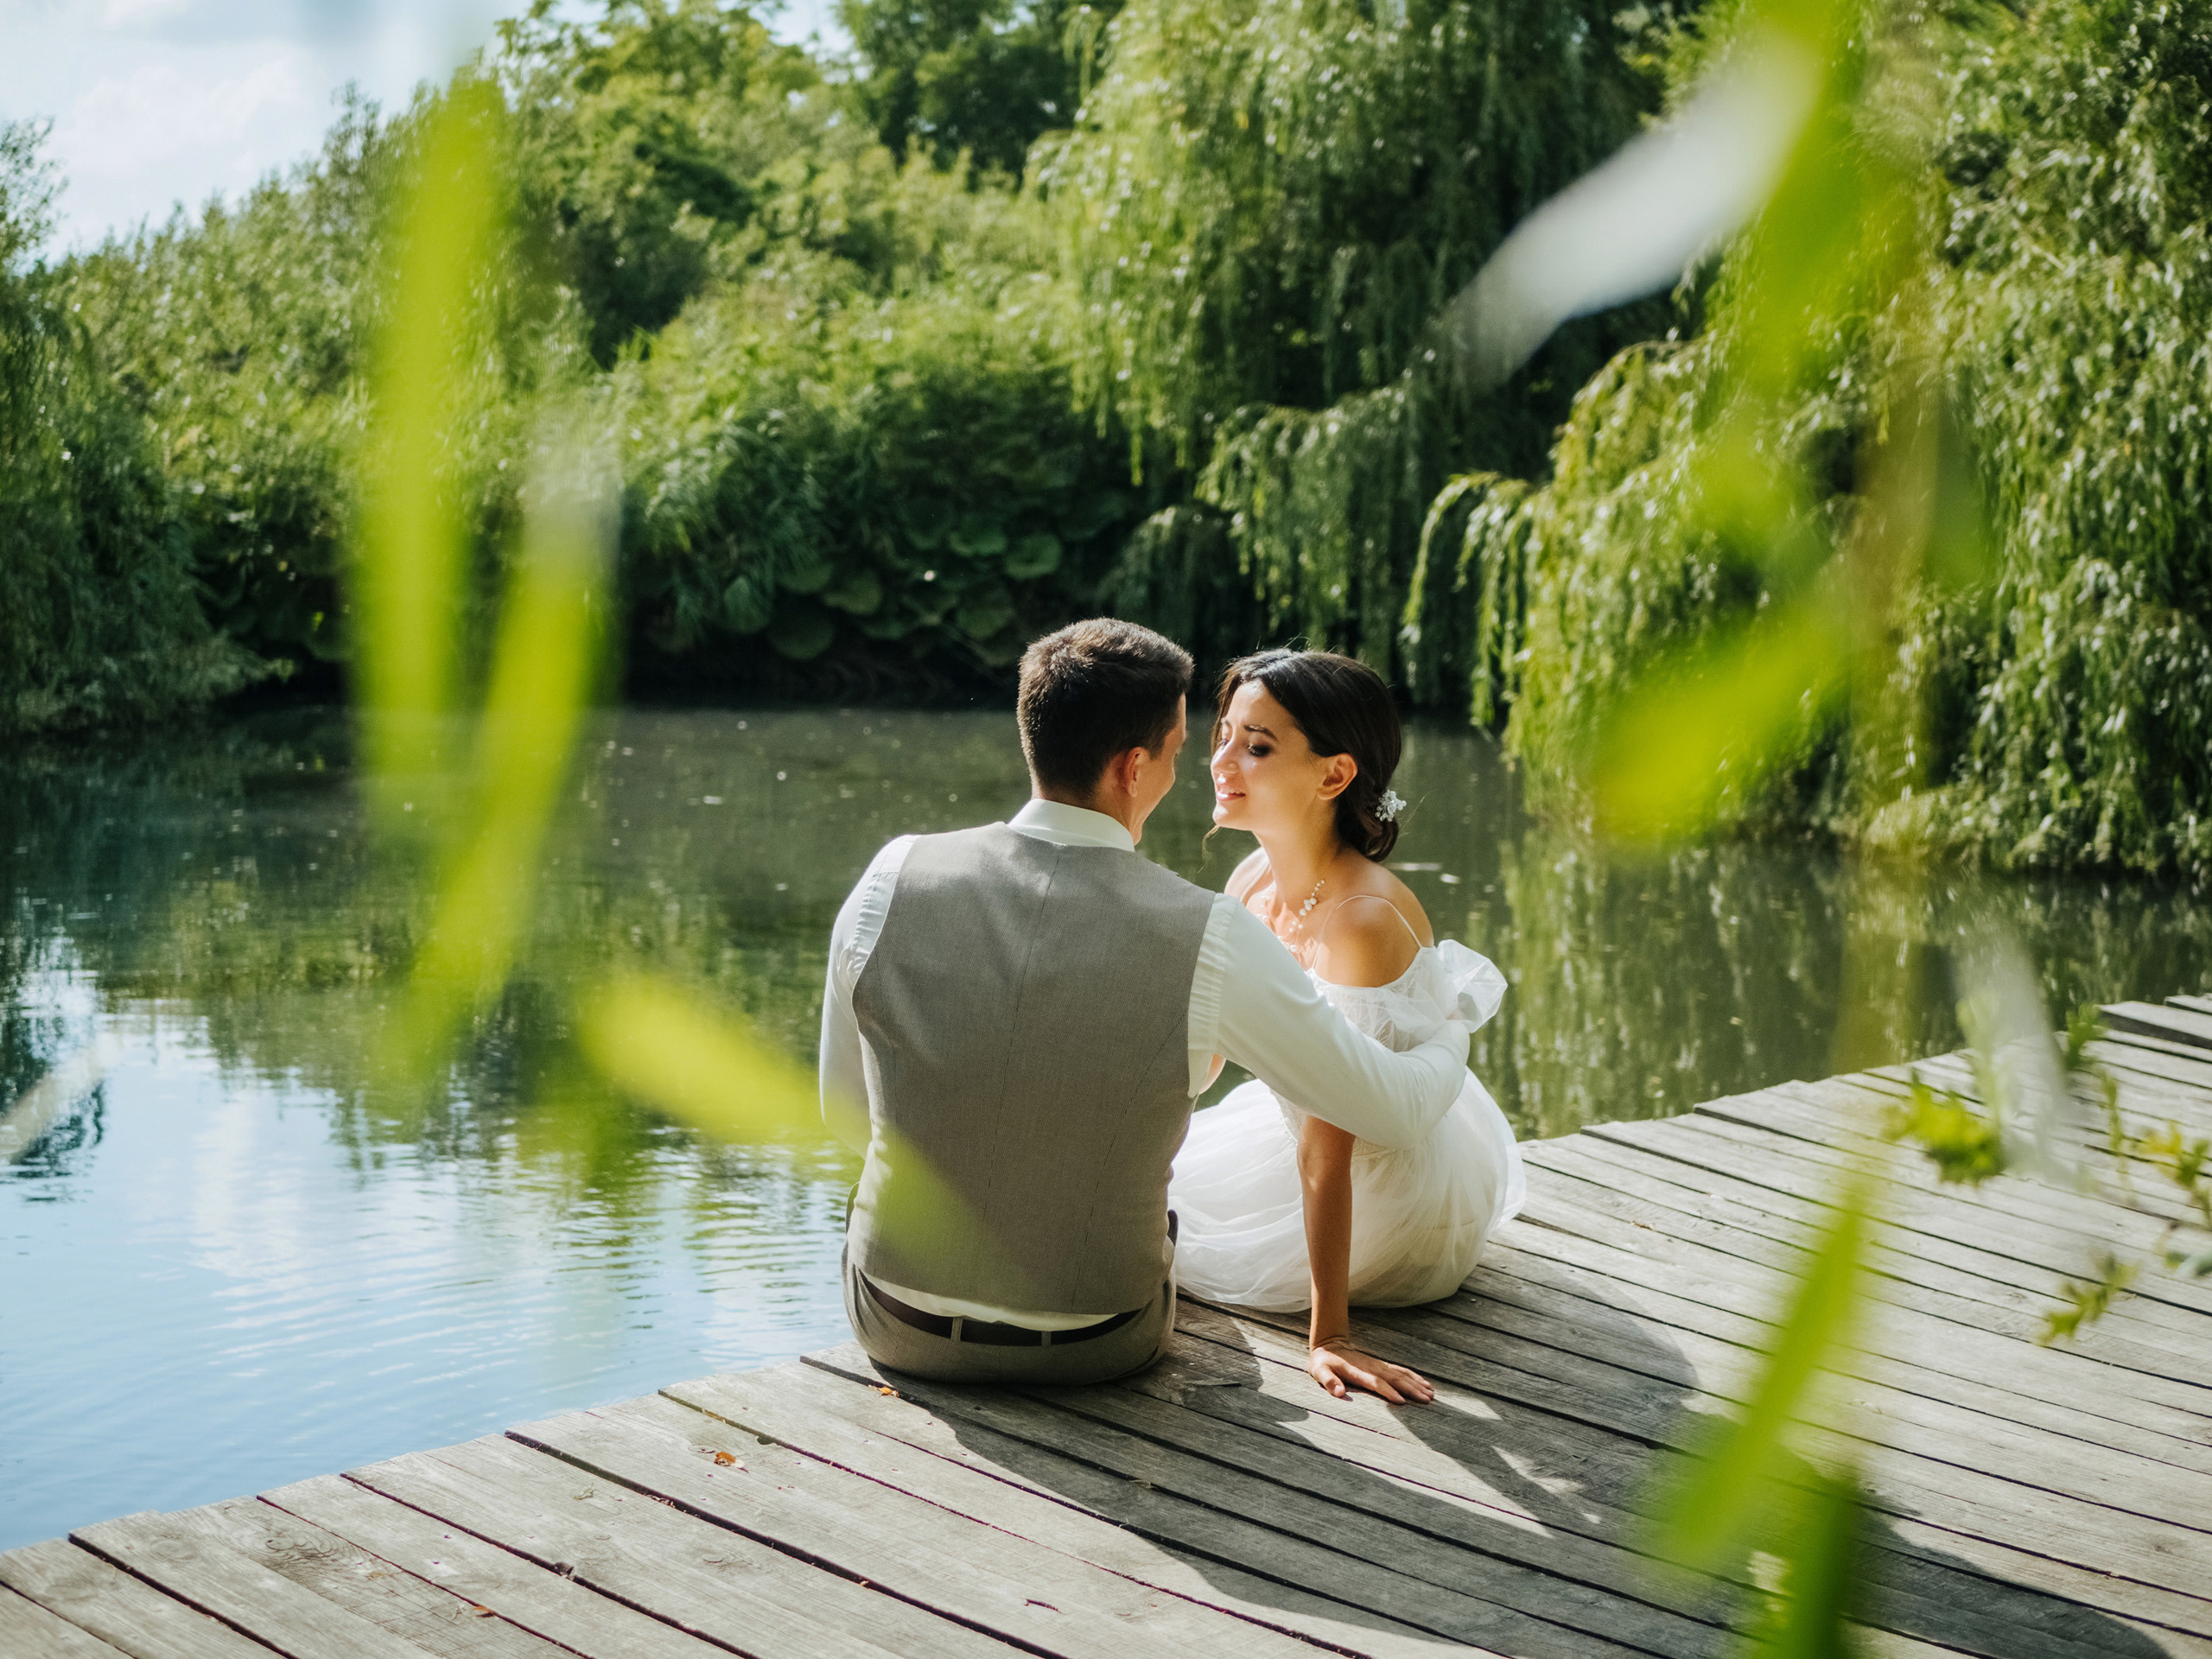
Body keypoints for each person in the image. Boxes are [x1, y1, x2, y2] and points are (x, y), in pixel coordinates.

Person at [817, 619, 1472, 1387]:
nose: (1210, 765)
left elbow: (845, 1113)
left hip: (892, 1324)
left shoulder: (891, 873)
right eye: (1188, 746)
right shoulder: (1210, 930)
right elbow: (1387, 1107)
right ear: (1135, 767)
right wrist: (1452, 1026)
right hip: (1097, 1342)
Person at [1170, 648, 1524, 1403]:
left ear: (1334, 776)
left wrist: (1329, 1334)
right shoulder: (1251, 881)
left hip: (1386, 1191)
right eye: (1223, 737)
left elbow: (1333, 1138)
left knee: (1178, 1249)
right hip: (1292, 1134)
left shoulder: (1361, 922)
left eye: (1257, 746)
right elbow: (1210, 1053)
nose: (1222, 762)